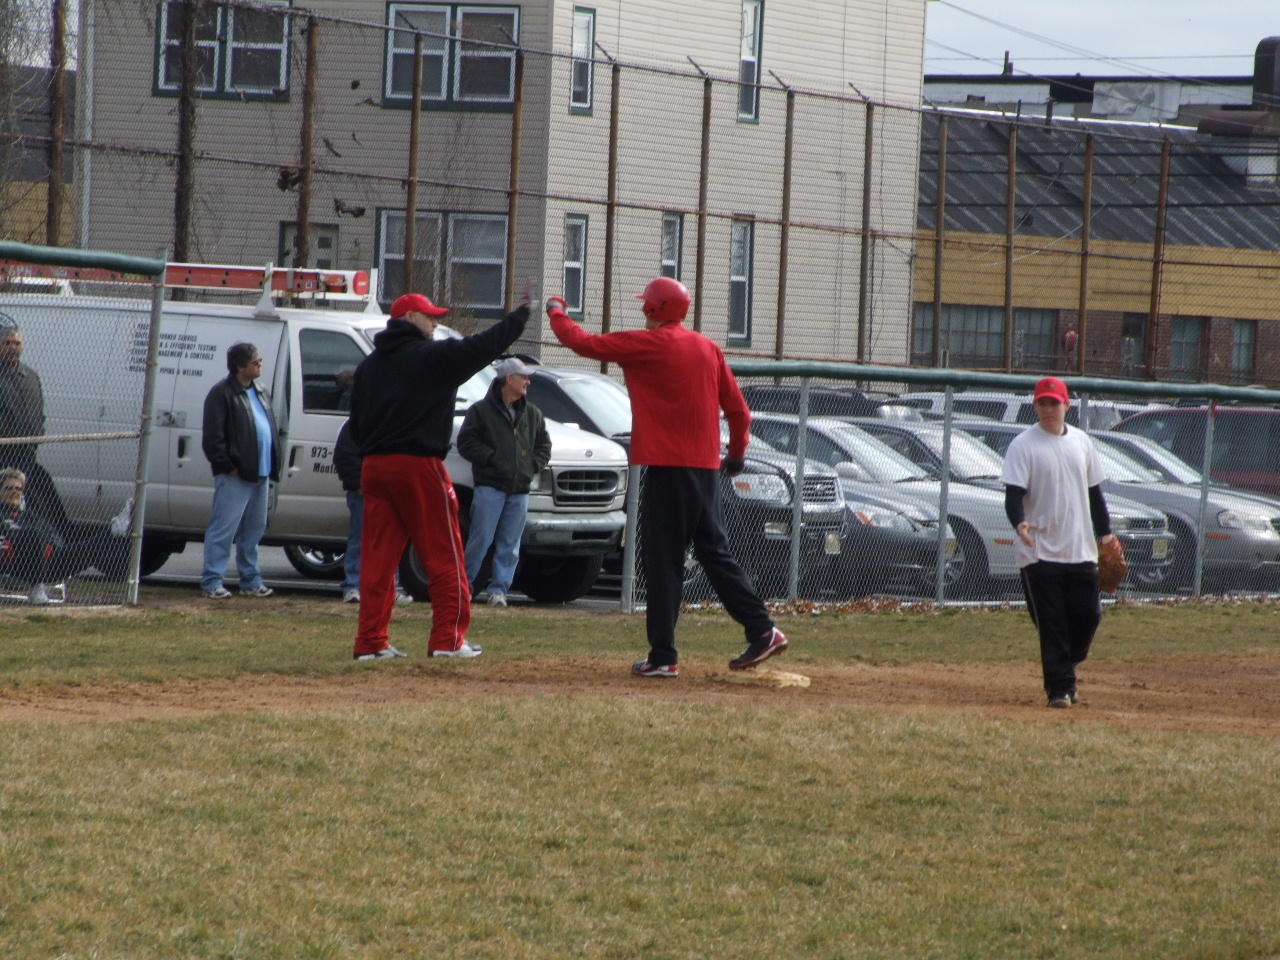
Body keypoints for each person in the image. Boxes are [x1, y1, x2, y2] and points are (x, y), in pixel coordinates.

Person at [545, 277, 788, 677]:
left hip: (668, 467)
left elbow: (582, 342)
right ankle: (762, 630)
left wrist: (557, 312)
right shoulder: (708, 347)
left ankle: (663, 657)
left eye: (647, 305)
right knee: (713, 552)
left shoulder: (648, 343)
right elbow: (740, 412)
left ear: (653, 309)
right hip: (705, 467)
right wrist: (737, 454)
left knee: (663, 561)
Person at [348, 291, 529, 661]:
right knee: (445, 554)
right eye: (429, 317)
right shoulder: (430, 357)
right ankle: (448, 638)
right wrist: (520, 317)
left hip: (375, 467)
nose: (435, 324)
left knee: (379, 561)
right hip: (418, 466)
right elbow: (481, 347)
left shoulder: (369, 366)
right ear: (410, 317)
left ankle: (371, 642)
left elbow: (356, 423)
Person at [1000, 376, 1118, 709]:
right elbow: (1013, 496)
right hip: (1038, 551)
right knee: (1052, 623)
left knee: (1088, 616)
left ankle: (1069, 662)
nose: (1049, 409)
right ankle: (1059, 690)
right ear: (1035, 405)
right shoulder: (1023, 445)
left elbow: (1095, 493)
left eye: (1055, 403)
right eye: (1043, 403)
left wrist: (1105, 533)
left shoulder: (1081, 442)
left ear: (1067, 405)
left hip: (1079, 548)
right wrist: (1019, 523)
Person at [457, 356, 552, 606]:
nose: (528, 382)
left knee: (510, 544)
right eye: (523, 377)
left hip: (519, 490)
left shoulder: (532, 413)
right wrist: (492, 458)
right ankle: (463, 588)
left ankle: (499, 591)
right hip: (489, 487)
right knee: (480, 540)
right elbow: (466, 443)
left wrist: (531, 465)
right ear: (508, 379)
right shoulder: (480, 411)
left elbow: (544, 445)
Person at [200, 342, 280, 599]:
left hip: (261, 471)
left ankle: (251, 579)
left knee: (254, 529)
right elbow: (213, 437)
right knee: (224, 528)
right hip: (236, 473)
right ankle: (212, 581)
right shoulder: (222, 393)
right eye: (256, 362)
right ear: (240, 366)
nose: (260, 365)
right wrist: (227, 466)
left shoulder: (260, 390)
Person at [0, 467, 131, 604]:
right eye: (9, 488)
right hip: (16, 564)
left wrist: (52, 546)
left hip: (52, 563)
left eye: (19, 489)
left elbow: (52, 535)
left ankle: (113, 531)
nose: (15, 492)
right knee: (31, 535)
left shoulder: (30, 516)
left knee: (94, 547)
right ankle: (36, 587)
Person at [333, 418, 413, 607]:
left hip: (390, 493)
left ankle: (389, 587)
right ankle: (353, 585)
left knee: (390, 541)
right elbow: (343, 456)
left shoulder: (397, 425)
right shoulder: (356, 424)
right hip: (364, 493)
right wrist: (359, 484)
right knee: (360, 539)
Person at [0, 321, 67, 531]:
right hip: (3, 449)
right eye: (7, 342)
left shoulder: (31, 376)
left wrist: (38, 435)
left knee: (24, 499)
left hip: (26, 452)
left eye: (16, 343)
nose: (12, 347)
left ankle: (22, 541)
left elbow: (39, 412)